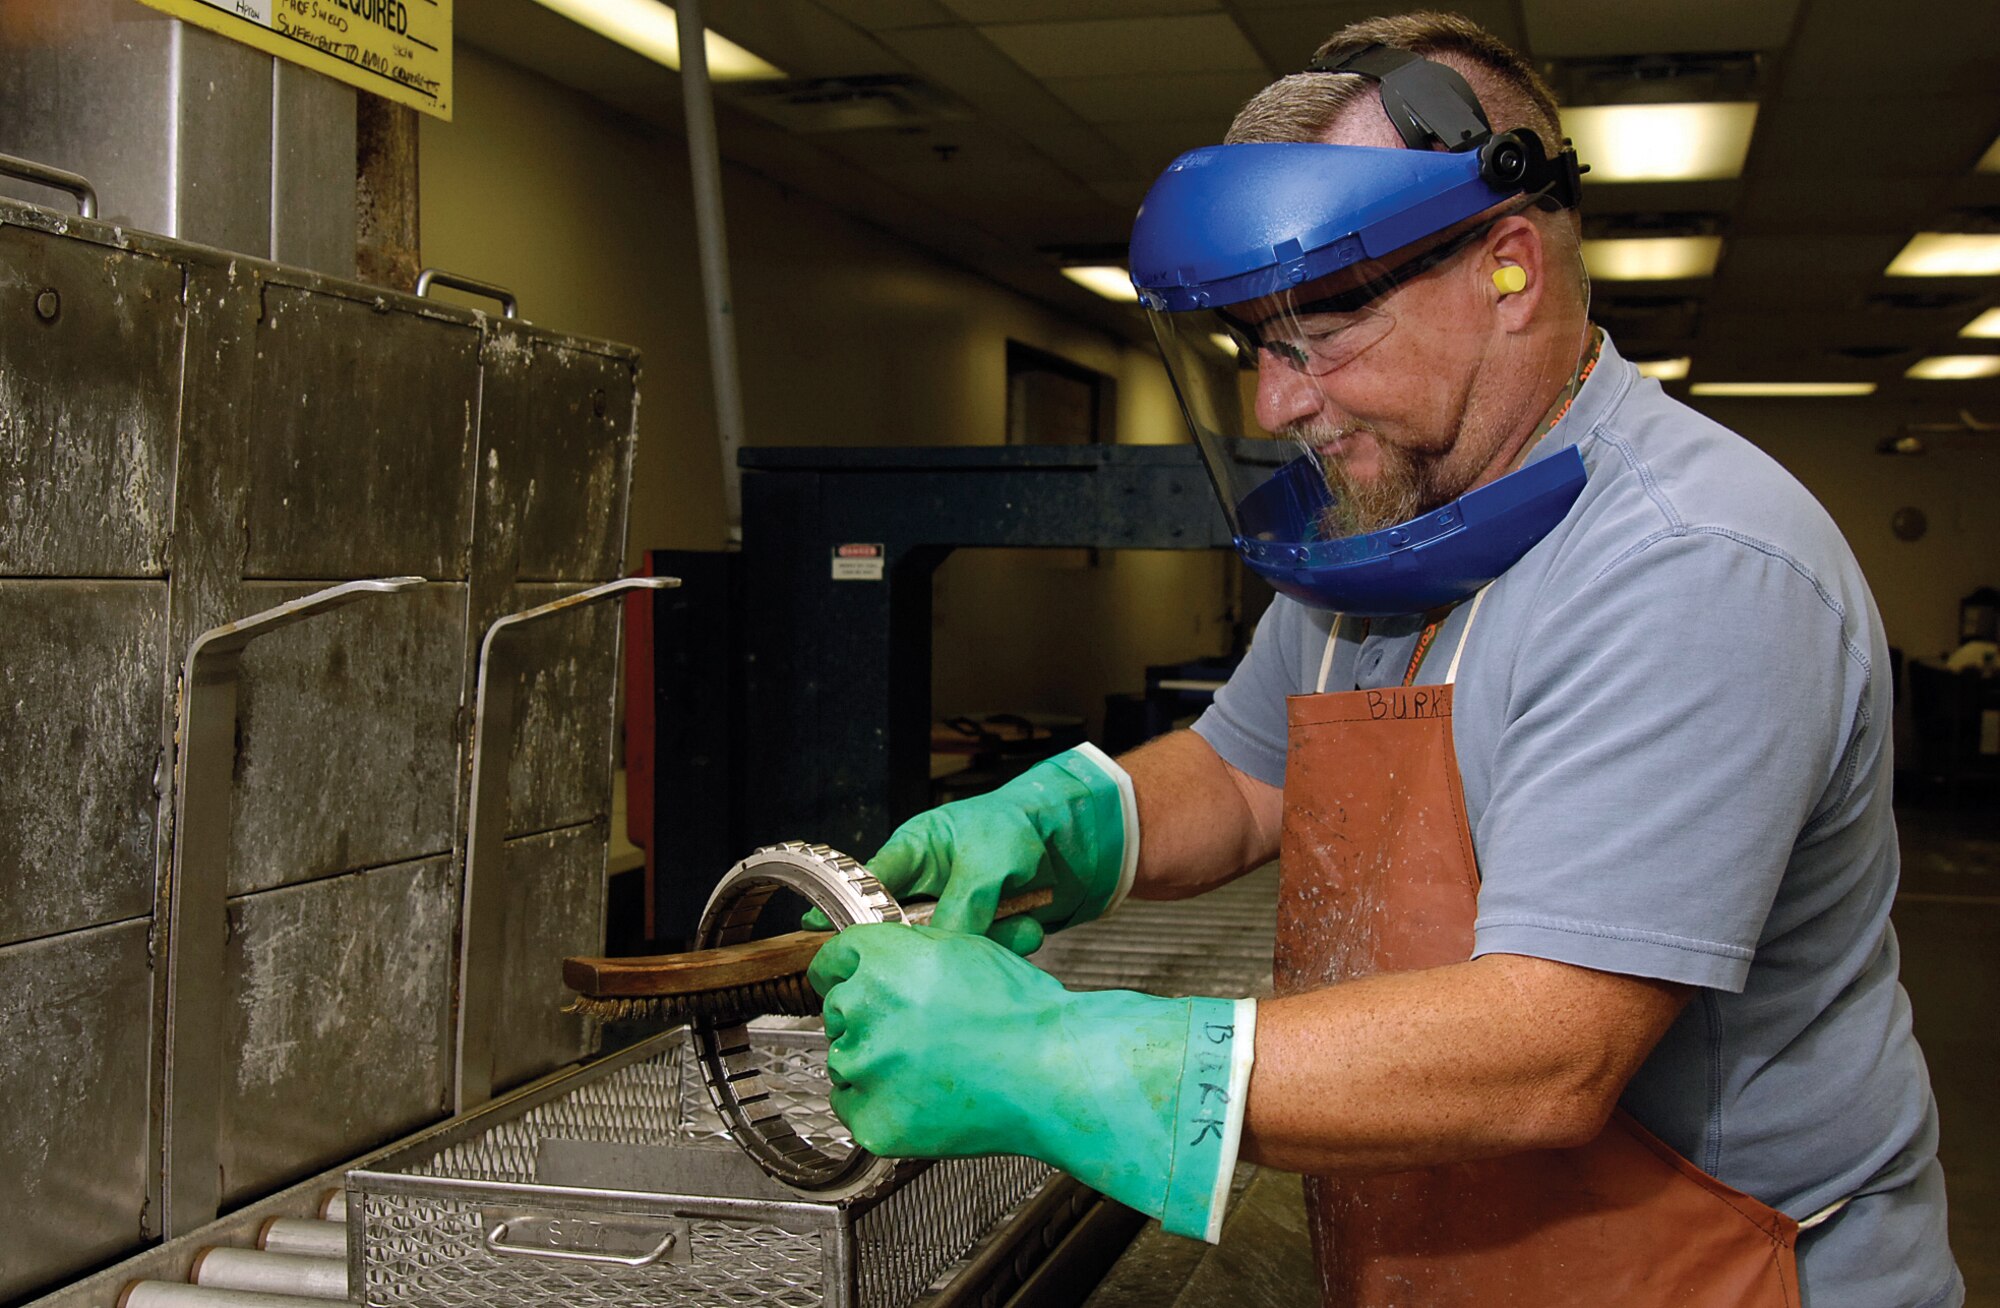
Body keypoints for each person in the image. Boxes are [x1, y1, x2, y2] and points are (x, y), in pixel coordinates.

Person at [806, 13, 1961, 1306]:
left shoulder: (1694, 565)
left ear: (1511, 265)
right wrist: (1079, 820)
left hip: (1707, 1272)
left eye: (1319, 334)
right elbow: (1250, 775)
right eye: (1254, 343)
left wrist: (1066, 1057)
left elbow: (1543, 1051)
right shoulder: (1387, 535)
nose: (1274, 404)